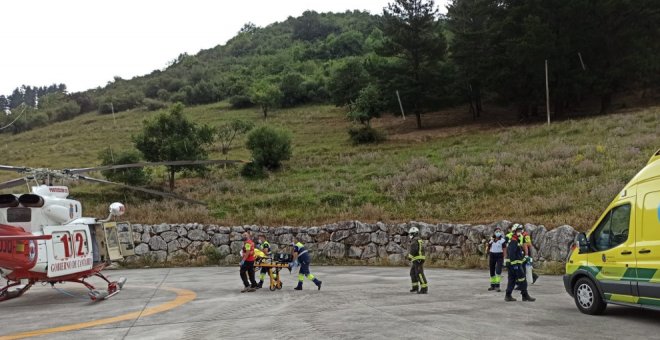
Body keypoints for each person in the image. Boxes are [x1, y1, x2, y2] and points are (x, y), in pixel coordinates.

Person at [504, 227, 535, 302]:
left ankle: (508, 295)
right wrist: (515, 265)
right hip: (515, 265)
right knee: (522, 279)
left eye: (520, 231)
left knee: (512, 280)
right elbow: (512, 255)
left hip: (513, 264)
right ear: (514, 231)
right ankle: (525, 296)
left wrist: (525, 258)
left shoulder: (515, 240)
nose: (520, 232)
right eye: (518, 231)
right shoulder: (514, 241)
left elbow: (517, 254)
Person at [408, 226, 428, 294]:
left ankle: (424, 289)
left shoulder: (415, 240)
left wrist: (410, 256)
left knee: (419, 274)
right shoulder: (419, 239)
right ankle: (415, 287)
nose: (410, 235)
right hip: (418, 259)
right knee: (412, 273)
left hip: (418, 259)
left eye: (411, 234)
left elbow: (414, 249)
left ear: (414, 234)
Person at [487, 227, 506, 292]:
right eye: (496, 231)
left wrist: (505, 257)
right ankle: (492, 285)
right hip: (492, 255)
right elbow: (488, 247)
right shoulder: (491, 240)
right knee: (492, 270)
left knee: (498, 271)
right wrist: (491, 241)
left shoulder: (502, 240)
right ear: (494, 233)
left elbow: (504, 249)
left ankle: (497, 286)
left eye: (499, 231)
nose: (498, 233)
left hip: (499, 256)